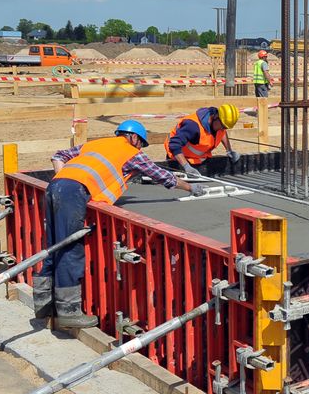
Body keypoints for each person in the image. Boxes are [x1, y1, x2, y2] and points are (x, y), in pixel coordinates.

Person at [36, 121, 204, 329]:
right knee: (70, 249)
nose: (140, 148)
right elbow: (161, 176)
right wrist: (189, 187)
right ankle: (68, 312)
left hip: (55, 187)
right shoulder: (131, 152)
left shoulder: (96, 144)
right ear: (134, 138)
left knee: (54, 246)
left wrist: (62, 179)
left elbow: (58, 155)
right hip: (73, 192)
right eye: (140, 144)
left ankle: (42, 302)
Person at [165, 104, 241, 176]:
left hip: (197, 161)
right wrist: (186, 167)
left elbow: (222, 133)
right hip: (179, 160)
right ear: (215, 116)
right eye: (223, 126)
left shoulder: (218, 124)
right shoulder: (193, 126)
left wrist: (229, 150)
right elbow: (174, 145)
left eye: (225, 127)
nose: (223, 129)